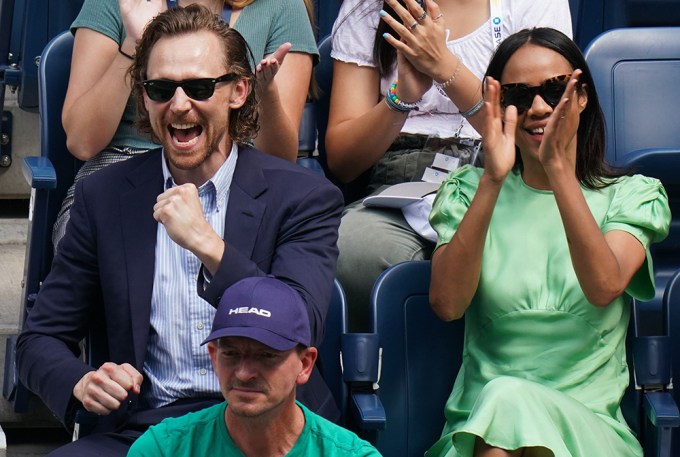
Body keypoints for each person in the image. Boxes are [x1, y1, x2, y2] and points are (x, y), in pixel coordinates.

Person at [16, 5, 343, 456]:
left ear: (239, 91)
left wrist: (209, 246)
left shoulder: (302, 198)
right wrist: (82, 382)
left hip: (269, 429)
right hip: (149, 428)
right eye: (161, 88)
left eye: (200, 87)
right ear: (144, 97)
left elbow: (300, 322)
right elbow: (39, 341)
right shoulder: (106, 196)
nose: (180, 103)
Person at [426, 27, 670, 456]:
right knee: (505, 399)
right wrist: (493, 179)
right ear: (499, 105)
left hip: (588, 431)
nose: (538, 108)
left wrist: (559, 171)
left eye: (555, 91)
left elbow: (603, 285)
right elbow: (447, 304)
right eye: (519, 96)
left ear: (581, 97)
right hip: (479, 429)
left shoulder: (632, 195)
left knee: (509, 401)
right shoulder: (469, 191)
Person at [326, 0, 573, 330]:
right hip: (403, 176)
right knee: (352, 248)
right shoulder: (368, 7)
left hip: (504, 171)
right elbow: (343, 162)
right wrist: (400, 100)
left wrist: (445, 68)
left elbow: (543, 140)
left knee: (516, 255)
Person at [53, 0, 318, 248]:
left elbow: (279, 159)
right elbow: (82, 141)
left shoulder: (282, 6)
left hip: (233, 175)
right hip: (122, 166)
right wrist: (135, 44)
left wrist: (265, 93)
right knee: (98, 254)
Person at [128, 276, 382, 457]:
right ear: (214, 357)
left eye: (266, 356)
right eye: (230, 353)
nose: (244, 373)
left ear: (304, 365)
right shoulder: (161, 449)